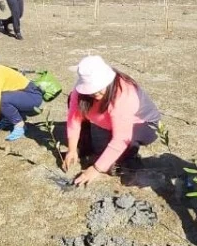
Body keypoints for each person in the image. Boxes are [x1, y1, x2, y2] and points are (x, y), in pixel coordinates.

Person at [63, 55, 161, 187]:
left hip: (143, 124)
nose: (95, 93)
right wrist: (72, 149)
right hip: (108, 122)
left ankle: (130, 158)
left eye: (99, 88)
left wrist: (96, 169)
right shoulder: (79, 93)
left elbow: (121, 138)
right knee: (97, 151)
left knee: (113, 161)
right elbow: (74, 120)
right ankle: (85, 146)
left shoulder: (124, 94)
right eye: (91, 90)